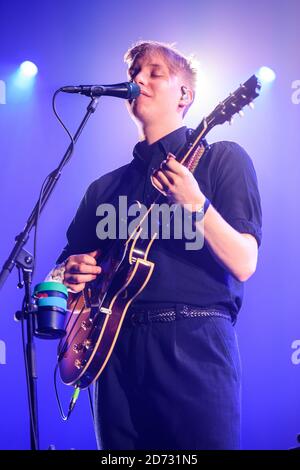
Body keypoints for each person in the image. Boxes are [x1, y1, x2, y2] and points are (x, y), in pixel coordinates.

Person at [49, 40, 262, 450]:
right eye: (134, 73)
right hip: (112, 352)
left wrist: (196, 203)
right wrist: (68, 275)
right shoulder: (105, 188)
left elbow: (244, 261)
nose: (137, 80)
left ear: (185, 95)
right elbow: (61, 273)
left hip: (192, 343)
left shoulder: (222, 160)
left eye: (153, 72)